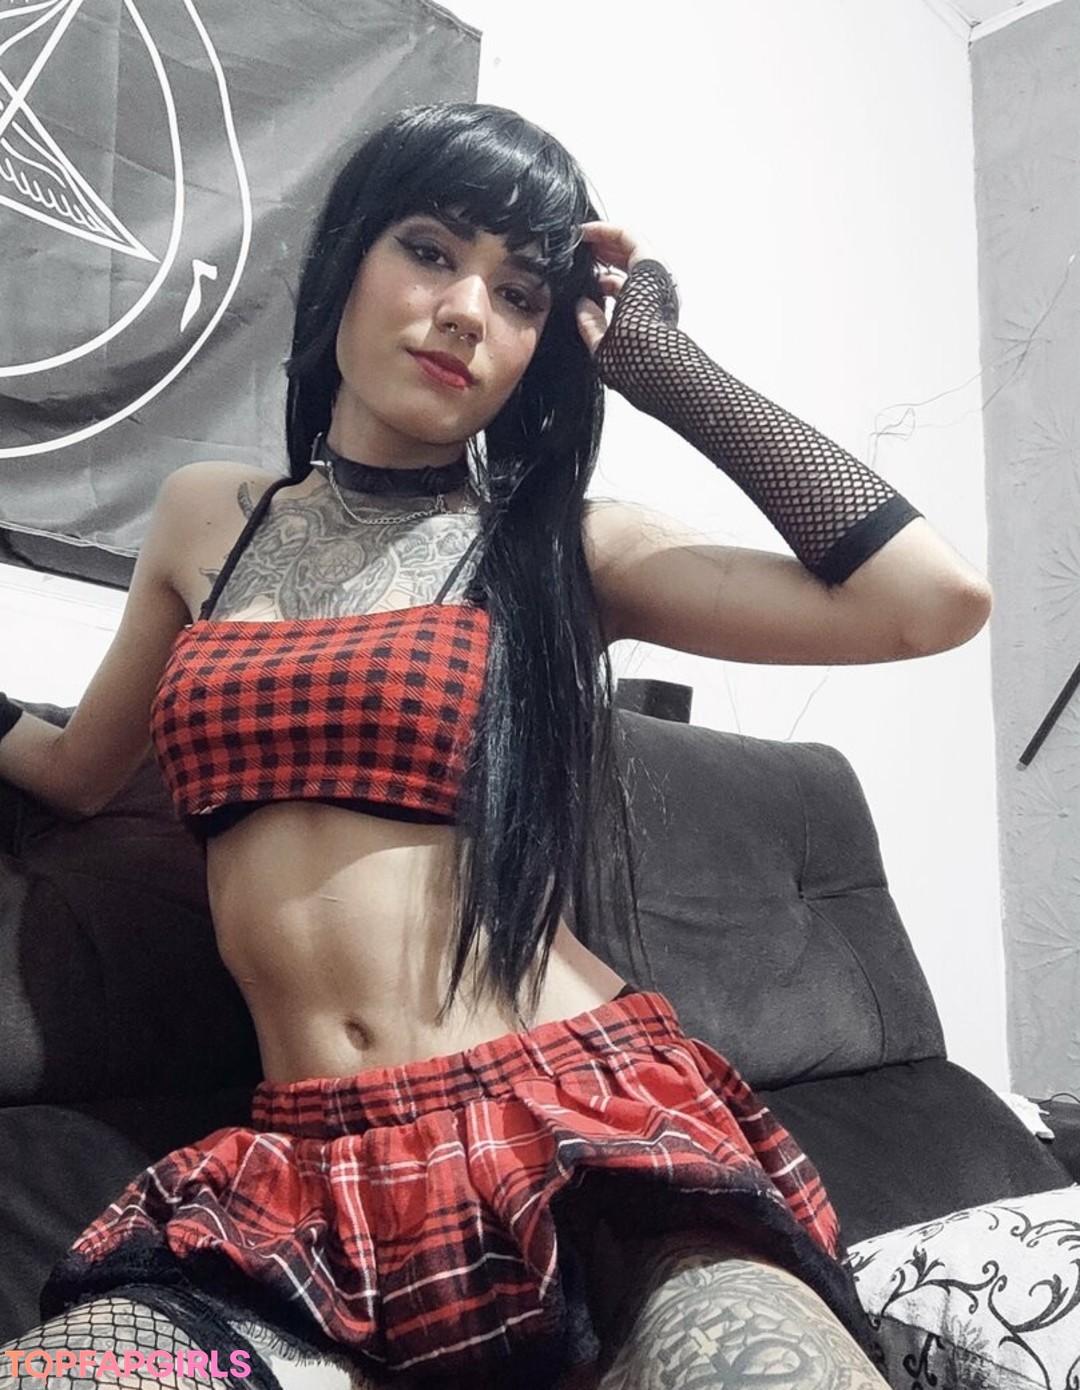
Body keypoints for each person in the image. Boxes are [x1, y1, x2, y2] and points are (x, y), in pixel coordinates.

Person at [0, 103, 990, 1390]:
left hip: (582, 1141)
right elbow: (77, 772)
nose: (467, 310)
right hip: (310, 1185)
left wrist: (667, 367)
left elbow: (928, 601)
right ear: (347, 258)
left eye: (519, 293)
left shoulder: (561, 546)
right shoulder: (205, 519)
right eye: (429, 249)